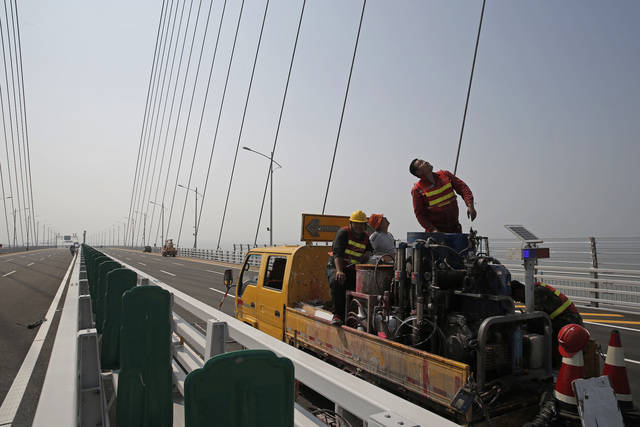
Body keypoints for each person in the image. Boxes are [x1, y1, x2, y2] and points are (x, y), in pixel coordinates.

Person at [511, 280, 583, 367]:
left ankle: (551, 362)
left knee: (539, 329)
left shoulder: (536, 292)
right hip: (562, 319)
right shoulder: (533, 290)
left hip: (570, 320)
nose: (517, 301)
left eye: (516, 297)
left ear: (519, 291)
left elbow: (535, 317)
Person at [326, 210, 373, 325]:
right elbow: (338, 254)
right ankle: (337, 315)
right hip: (336, 266)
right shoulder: (343, 233)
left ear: (365, 225)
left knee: (359, 287)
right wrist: (339, 271)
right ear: (351, 223)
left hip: (352, 268)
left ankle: (354, 315)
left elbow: (369, 251)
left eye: (361, 224)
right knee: (338, 283)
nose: (359, 227)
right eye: (356, 223)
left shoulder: (366, 237)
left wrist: (367, 255)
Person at [409, 158, 476, 233]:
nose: (425, 162)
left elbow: (462, 188)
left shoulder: (445, 175)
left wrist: (470, 205)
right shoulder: (417, 190)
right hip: (437, 233)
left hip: (455, 229)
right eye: (421, 163)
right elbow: (420, 215)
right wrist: (433, 229)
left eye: (423, 161)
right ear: (418, 172)